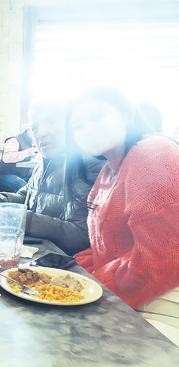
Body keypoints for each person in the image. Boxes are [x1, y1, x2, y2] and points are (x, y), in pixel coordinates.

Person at [70, 89, 179, 346]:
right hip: (131, 293)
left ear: (126, 115)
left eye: (97, 116)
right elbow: (109, 248)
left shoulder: (152, 153)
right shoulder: (109, 170)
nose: (88, 129)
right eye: (77, 126)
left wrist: (94, 281)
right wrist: (74, 270)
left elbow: (163, 258)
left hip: (164, 303)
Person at [0, 101, 103, 255]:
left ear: (71, 124)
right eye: (35, 127)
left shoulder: (88, 166)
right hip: (36, 255)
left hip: (65, 264)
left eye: (51, 121)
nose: (42, 133)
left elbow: (82, 236)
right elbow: (23, 198)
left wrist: (24, 220)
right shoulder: (42, 164)